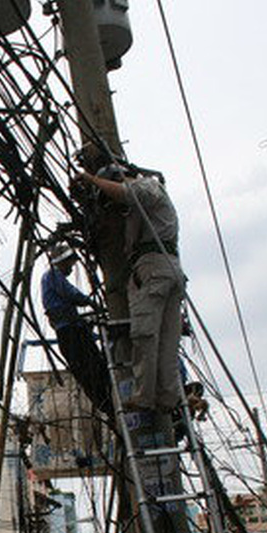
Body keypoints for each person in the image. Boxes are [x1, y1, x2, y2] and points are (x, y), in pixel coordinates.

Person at [73, 163, 186, 412]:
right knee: (167, 339)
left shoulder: (147, 186)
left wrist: (91, 179)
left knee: (145, 335)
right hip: (169, 269)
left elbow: (127, 193)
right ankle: (167, 397)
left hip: (155, 269)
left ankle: (144, 396)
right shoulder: (142, 212)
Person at [40, 242, 112, 416]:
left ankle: (108, 402)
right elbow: (72, 294)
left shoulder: (54, 278)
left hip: (72, 330)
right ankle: (108, 403)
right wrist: (91, 303)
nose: (71, 268)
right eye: (69, 264)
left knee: (94, 369)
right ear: (61, 262)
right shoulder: (53, 275)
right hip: (71, 332)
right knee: (91, 370)